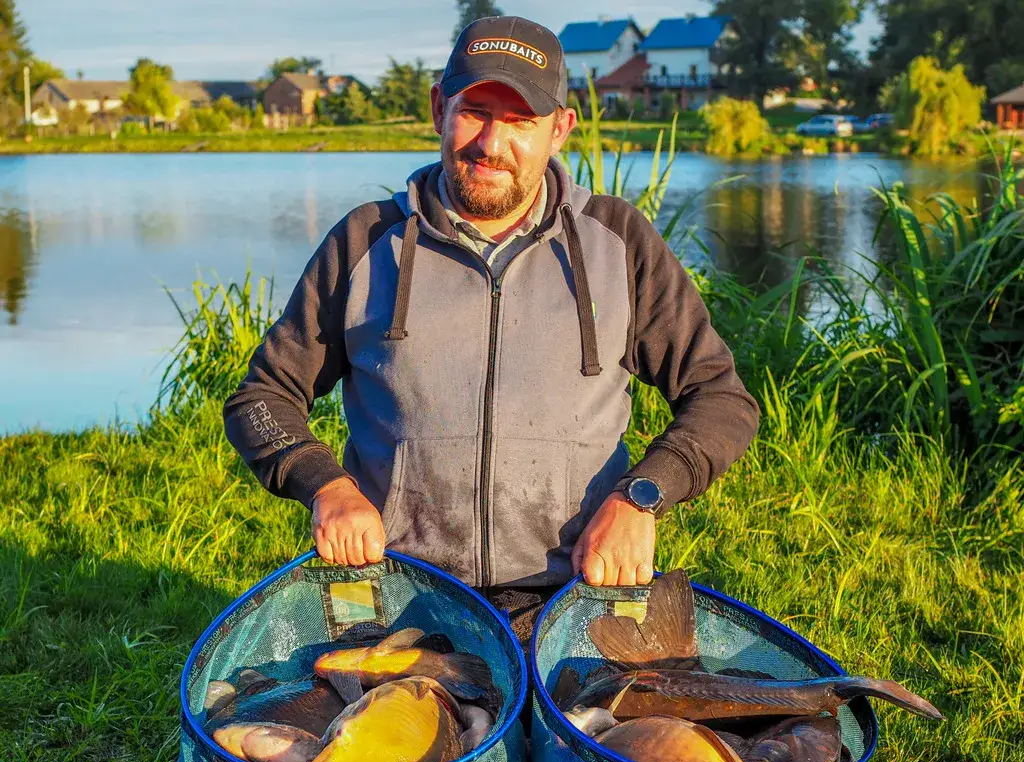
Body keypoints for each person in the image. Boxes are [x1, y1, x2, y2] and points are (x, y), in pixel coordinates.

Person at [224, 16, 759, 644]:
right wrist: (327, 487)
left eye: (521, 122)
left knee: (617, 740)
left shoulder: (619, 242)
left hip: (576, 591)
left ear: (559, 130)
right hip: (396, 590)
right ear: (437, 110)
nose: (490, 143)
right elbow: (262, 400)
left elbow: (721, 401)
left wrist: (641, 498)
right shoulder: (365, 241)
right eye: (474, 111)